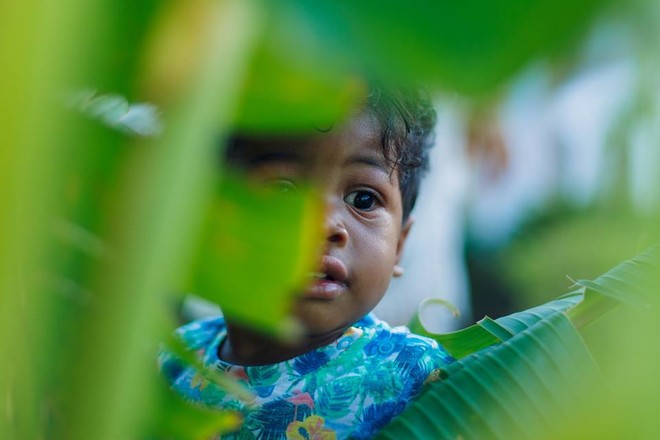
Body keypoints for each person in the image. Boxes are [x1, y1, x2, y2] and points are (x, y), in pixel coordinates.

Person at [160, 86, 455, 439]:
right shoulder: (172, 362)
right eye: (283, 190)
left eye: (363, 199)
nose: (324, 224)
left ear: (400, 245)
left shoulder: (416, 377)